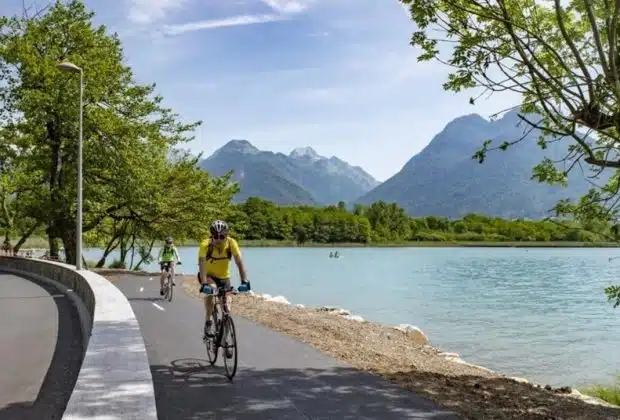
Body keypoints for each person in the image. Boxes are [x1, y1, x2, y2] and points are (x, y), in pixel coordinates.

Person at [198, 220, 249, 341]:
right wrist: (205, 283)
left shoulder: (232, 243)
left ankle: (225, 339)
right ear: (212, 236)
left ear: (226, 235)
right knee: (212, 290)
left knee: (227, 309)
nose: (219, 239)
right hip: (208, 275)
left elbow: (239, 262)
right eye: (216, 236)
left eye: (222, 236)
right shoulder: (206, 244)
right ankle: (208, 322)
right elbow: (201, 263)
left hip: (224, 277)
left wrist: (244, 281)